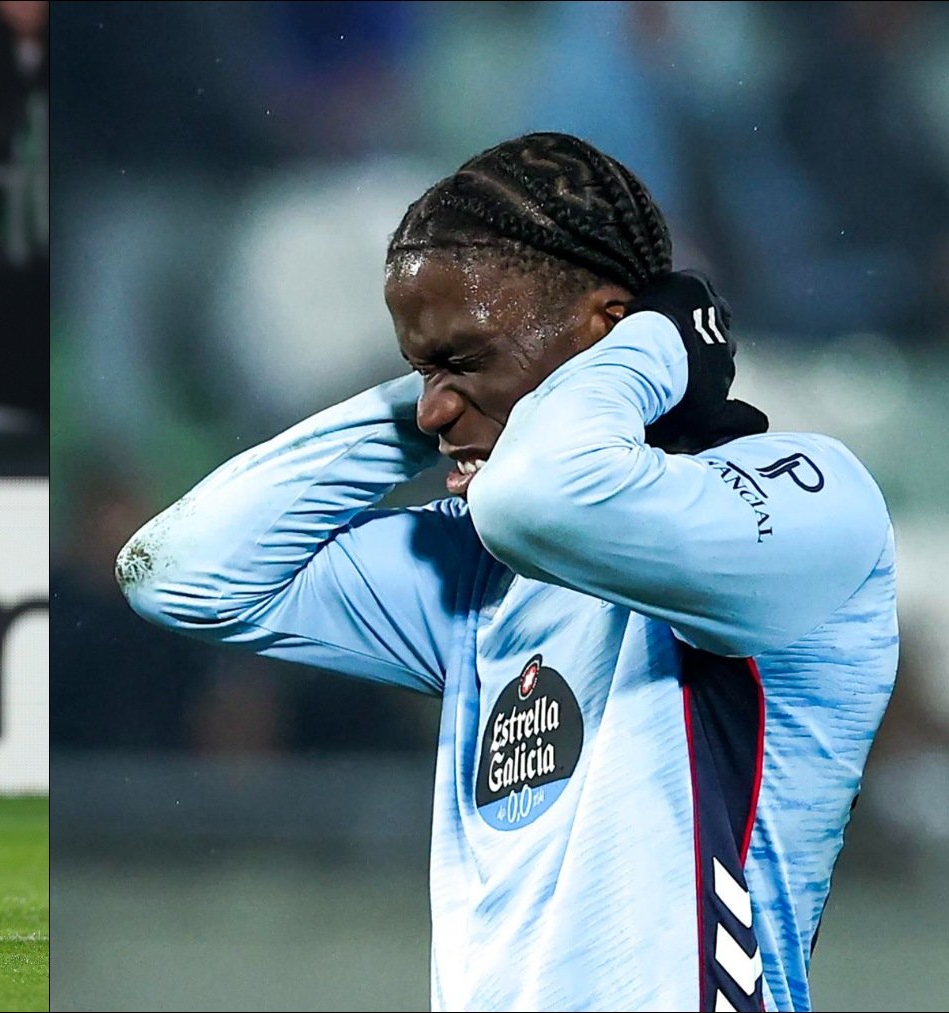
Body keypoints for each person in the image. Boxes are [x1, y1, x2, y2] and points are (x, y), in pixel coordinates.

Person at [119, 132, 897, 1011]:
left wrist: (653, 349)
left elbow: (539, 497)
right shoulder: (479, 579)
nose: (434, 407)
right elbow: (180, 572)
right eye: (420, 368)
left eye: (466, 360)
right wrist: (419, 409)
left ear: (609, 329)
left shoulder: (810, 502)